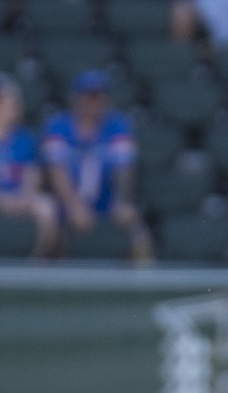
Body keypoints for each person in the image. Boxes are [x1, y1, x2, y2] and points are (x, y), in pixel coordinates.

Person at [43, 70, 153, 260]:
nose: (94, 102)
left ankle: (146, 283)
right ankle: (48, 282)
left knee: (137, 229)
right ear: (76, 98)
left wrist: (122, 202)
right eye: (89, 96)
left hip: (105, 200)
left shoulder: (118, 125)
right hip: (65, 203)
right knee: (51, 225)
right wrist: (73, 205)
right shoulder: (58, 126)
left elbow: (125, 168)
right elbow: (56, 170)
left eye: (99, 96)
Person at [0, 74, 60, 258]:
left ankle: (36, 268)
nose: (17, 107)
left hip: (19, 198)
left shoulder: (25, 139)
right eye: (12, 102)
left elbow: (32, 176)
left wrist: (24, 197)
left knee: (47, 207)